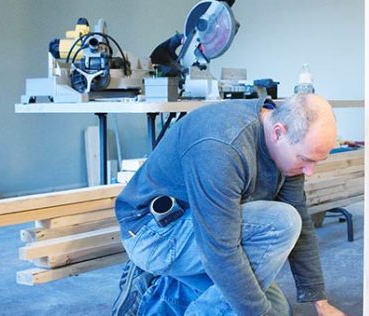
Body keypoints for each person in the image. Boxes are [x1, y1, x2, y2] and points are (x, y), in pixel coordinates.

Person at [112, 94, 346, 316]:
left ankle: (163, 286)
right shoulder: (222, 147)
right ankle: (153, 287)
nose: (310, 171)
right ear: (278, 132)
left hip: (206, 227)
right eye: (305, 160)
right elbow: (220, 249)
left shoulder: (288, 149)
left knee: (277, 308)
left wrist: (320, 302)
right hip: (154, 234)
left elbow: (303, 223)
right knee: (282, 223)